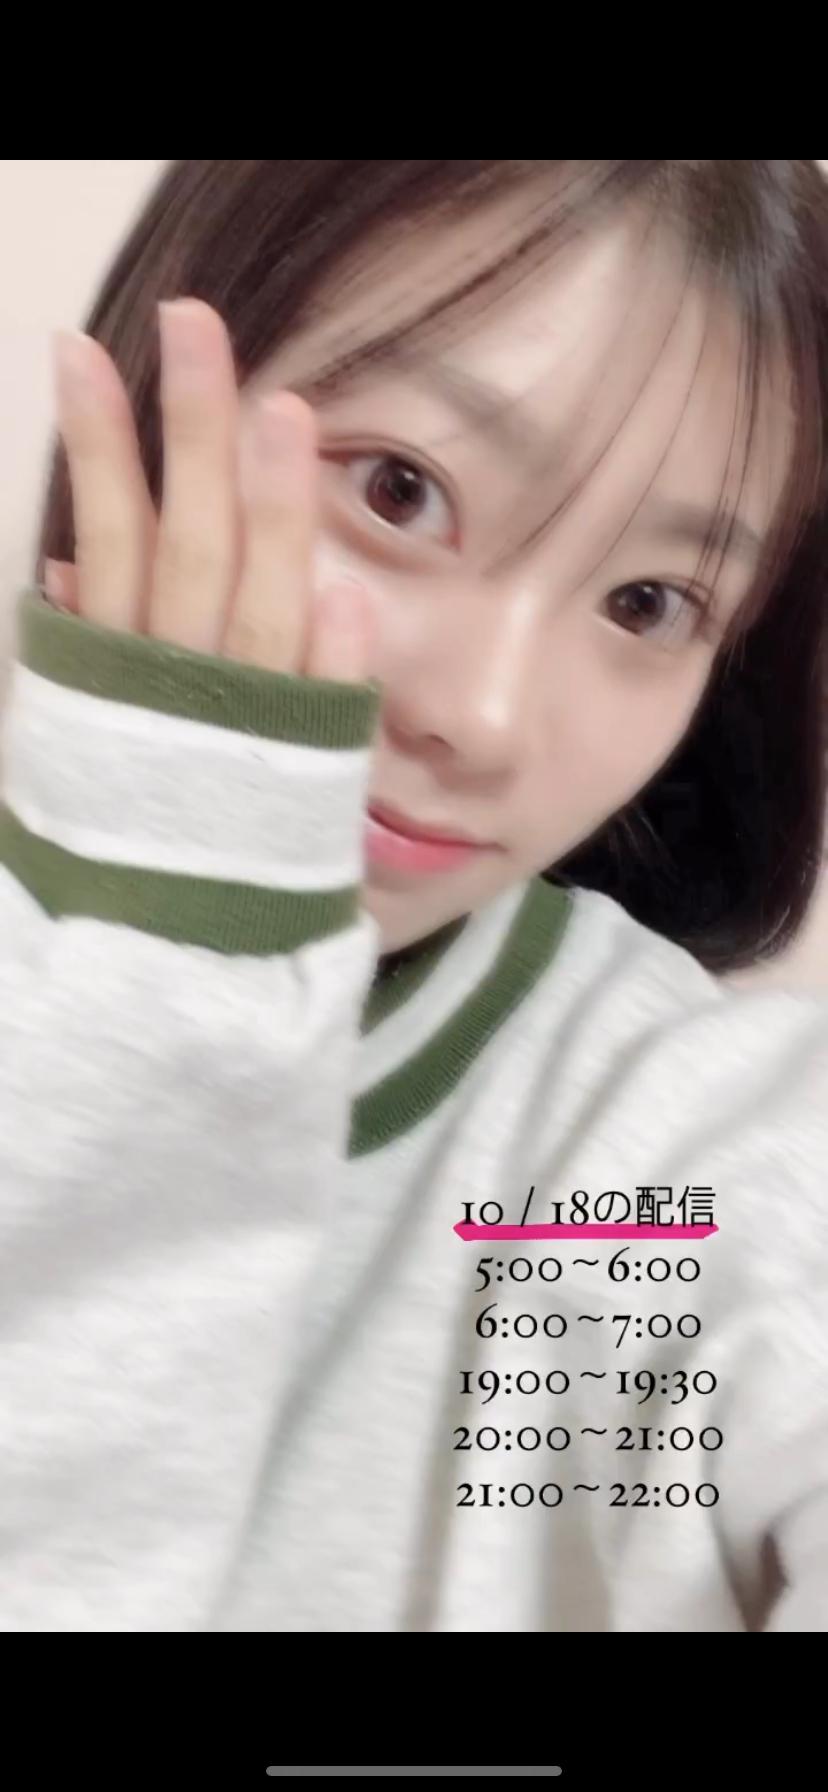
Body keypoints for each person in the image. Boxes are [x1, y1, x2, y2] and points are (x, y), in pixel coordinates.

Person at [1, 159, 827, 1633]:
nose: (488, 717)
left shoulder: (680, 1147)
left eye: (650, 603)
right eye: (401, 491)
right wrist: (163, 990)